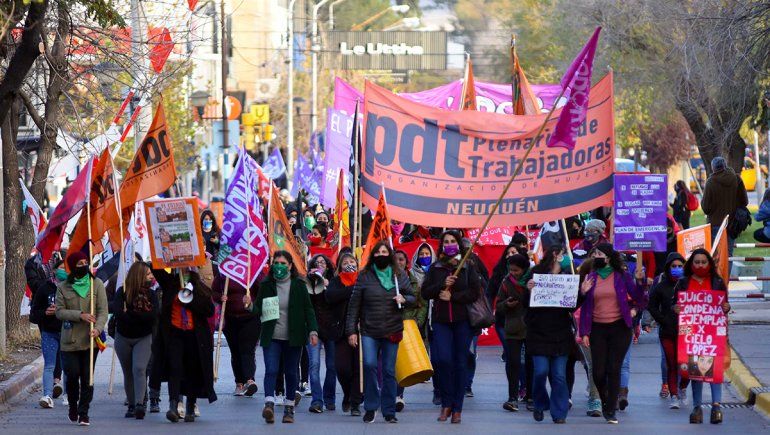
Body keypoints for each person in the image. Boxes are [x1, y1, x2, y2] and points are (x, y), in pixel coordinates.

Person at [244, 251, 318, 424]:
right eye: (276, 262)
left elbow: (308, 309)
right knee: (271, 370)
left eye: (283, 263)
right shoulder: (266, 284)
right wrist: (249, 305)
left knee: (291, 372)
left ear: (290, 266)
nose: (279, 266)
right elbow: (258, 309)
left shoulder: (299, 284)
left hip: (294, 337)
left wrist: (313, 331)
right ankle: (269, 404)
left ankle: (289, 409)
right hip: (272, 336)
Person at [345, 241, 414, 424]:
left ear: (389, 254)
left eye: (384, 252)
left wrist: (404, 299)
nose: (381, 255)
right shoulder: (365, 276)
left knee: (389, 371)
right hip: (369, 330)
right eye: (378, 252)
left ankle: (389, 410)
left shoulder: (399, 275)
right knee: (369, 365)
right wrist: (351, 330)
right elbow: (354, 305)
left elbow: (414, 297)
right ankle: (370, 407)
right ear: (372, 255)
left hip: (392, 330)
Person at [578, 243, 647, 424]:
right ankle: (606, 397)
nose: (595, 256)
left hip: (620, 328)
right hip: (597, 328)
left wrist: (640, 283)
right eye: (594, 254)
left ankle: (610, 410)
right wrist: (583, 293)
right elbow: (585, 308)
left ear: (608, 257)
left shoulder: (622, 276)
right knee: (598, 372)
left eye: (599, 253)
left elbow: (640, 298)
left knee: (614, 368)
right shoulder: (591, 277)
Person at [422, 230, 481, 424]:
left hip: (462, 321)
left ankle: (457, 408)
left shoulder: (467, 266)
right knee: (443, 360)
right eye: (446, 241)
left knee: (460, 363)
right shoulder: (436, 267)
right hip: (441, 322)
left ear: (459, 244)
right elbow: (425, 292)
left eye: (452, 241)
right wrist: (442, 285)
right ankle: (445, 403)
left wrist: (453, 297)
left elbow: (475, 292)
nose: (449, 244)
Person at [672, 248, 730, 424]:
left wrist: (726, 308)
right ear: (691, 264)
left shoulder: (717, 282)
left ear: (709, 263)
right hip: (692, 335)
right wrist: (676, 308)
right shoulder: (683, 282)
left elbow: (725, 304)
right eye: (697, 262)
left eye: (703, 262)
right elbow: (674, 303)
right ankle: (697, 407)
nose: (700, 265)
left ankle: (716, 406)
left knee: (715, 369)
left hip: (713, 333)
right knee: (696, 371)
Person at [154, 268, 217, 423]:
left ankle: (190, 406)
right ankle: (173, 405)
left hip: (194, 336)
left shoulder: (199, 287)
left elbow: (209, 310)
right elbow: (156, 268)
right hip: (174, 334)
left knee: (192, 370)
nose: (184, 267)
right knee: (174, 368)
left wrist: (189, 301)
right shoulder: (170, 283)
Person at [55, 251, 109, 426]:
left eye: (86, 262)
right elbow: (59, 312)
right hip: (70, 341)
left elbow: (103, 311)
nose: (84, 266)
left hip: (90, 340)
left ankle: (84, 412)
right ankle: (73, 404)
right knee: (72, 375)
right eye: (80, 264)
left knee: (87, 378)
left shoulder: (96, 284)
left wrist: (98, 328)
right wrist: (80, 315)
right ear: (72, 267)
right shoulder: (63, 287)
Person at [524, 246, 575, 424]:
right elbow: (525, 304)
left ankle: (559, 413)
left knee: (559, 375)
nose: (566, 257)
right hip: (538, 332)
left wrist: (582, 292)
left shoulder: (569, 275)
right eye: (563, 254)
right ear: (555, 255)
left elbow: (573, 305)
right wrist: (528, 290)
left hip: (560, 333)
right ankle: (540, 403)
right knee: (540, 372)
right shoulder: (536, 273)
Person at [112, 261, 158, 419]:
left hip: (143, 337)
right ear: (139, 276)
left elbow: (153, 316)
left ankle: (139, 404)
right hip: (123, 337)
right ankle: (131, 404)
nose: (151, 277)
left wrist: (131, 315)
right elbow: (119, 314)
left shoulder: (151, 295)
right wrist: (139, 317)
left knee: (139, 369)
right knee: (128, 372)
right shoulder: (123, 292)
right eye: (148, 274)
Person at [648, 252, 690, 410]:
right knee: (671, 364)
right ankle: (674, 396)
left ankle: (683, 387)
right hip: (668, 332)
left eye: (680, 266)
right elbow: (651, 305)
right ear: (668, 268)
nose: (677, 268)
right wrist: (662, 320)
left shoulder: (690, 285)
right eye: (674, 266)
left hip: (688, 331)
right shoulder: (661, 287)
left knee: (686, 365)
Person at [211, 272, 261, 398]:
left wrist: (252, 302)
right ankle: (239, 383)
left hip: (250, 318)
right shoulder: (224, 273)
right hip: (230, 318)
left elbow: (262, 291)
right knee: (236, 351)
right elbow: (213, 292)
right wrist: (220, 297)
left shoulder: (253, 271)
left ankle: (249, 380)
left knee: (247, 349)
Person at [325, 252, 362, 416]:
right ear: (340, 266)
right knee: (342, 368)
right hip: (341, 331)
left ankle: (355, 403)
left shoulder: (362, 280)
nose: (349, 264)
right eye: (345, 262)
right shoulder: (336, 281)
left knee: (358, 368)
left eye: (352, 261)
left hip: (360, 329)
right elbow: (331, 296)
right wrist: (352, 290)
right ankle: (347, 393)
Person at [394, 249, 428, 412]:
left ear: (406, 263)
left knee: (402, 361)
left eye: (401, 259)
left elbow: (422, 304)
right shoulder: (386, 279)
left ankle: (398, 396)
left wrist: (417, 321)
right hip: (389, 324)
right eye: (395, 259)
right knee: (389, 362)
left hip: (407, 326)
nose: (398, 262)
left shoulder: (414, 282)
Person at [30, 253, 65, 409]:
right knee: (49, 365)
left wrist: (63, 311)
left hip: (68, 333)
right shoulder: (44, 288)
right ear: (54, 271)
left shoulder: (73, 288)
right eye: (62, 268)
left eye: (67, 269)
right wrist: (45, 312)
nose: (65, 271)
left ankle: (69, 395)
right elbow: (33, 314)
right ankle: (47, 396)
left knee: (68, 366)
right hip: (49, 333)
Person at [496, 254, 530, 413]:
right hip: (513, 328)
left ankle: (531, 396)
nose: (513, 273)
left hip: (531, 328)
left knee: (531, 364)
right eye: (511, 270)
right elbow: (498, 305)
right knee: (513, 363)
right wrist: (506, 304)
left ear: (524, 269)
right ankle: (512, 397)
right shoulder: (505, 282)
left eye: (516, 270)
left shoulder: (533, 280)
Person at [305, 254, 337, 413]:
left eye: (323, 262)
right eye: (316, 263)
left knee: (332, 366)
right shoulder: (308, 281)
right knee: (314, 365)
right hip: (314, 329)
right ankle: (317, 400)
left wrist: (328, 286)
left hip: (331, 329)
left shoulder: (334, 281)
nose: (320, 264)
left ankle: (329, 398)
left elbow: (338, 301)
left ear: (328, 266)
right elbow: (306, 306)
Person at [701, 156, 748, 253]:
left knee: (715, 254)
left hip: (715, 224)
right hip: (731, 223)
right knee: (728, 255)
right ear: (725, 166)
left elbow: (706, 208)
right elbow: (745, 202)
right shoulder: (736, 179)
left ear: (713, 168)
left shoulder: (710, 182)